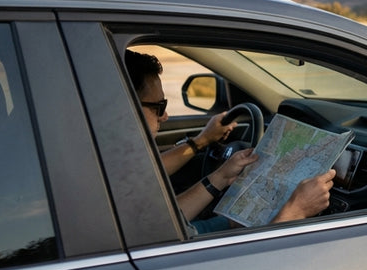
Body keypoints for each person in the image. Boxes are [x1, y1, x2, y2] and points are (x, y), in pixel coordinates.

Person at [124, 49, 332, 231]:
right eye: (158, 106)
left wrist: (221, 176)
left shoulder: (109, 164)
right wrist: (296, 210)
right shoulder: (103, 175)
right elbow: (252, 265)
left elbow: (162, 223)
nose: (165, 116)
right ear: (124, 104)